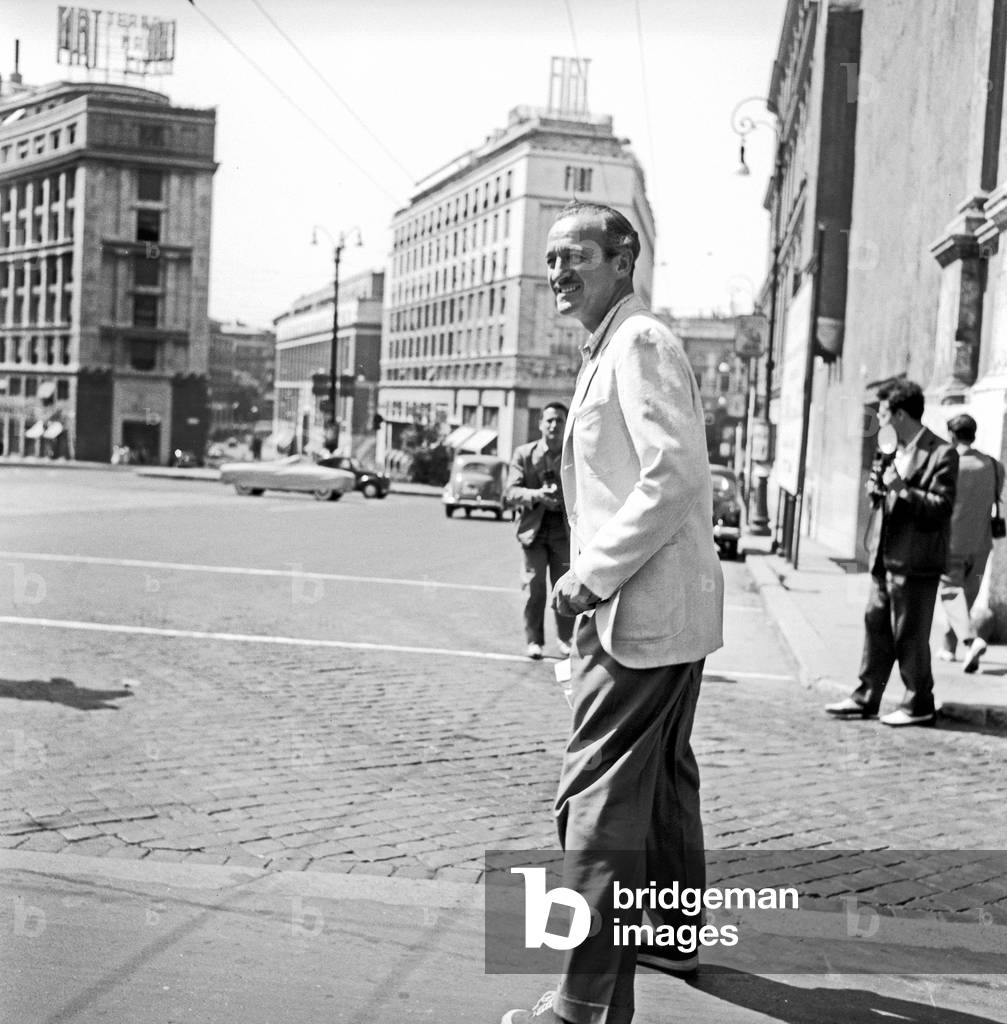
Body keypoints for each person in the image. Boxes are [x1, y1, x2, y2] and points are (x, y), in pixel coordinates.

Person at [503, 202, 724, 1024]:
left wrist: (586, 577)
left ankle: (583, 1004)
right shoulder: (616, 345)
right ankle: (668, 932)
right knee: (658, 778)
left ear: (623, 258)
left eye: (575, 257)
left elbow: (672, 476)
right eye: (551, 260)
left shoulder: (639, 342)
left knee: (594, 800)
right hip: (665, 610)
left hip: (636, 610)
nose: (556, 273)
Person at [825, 379, 957, 727]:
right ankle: (866, 696)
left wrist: (901, 488)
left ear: (899, 414)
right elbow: (886, 496)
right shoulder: (890, 448)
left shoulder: (942, 453)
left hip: (916, 562)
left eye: (883, 412)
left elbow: (941, 508)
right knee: (876, 626)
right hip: (884, 556)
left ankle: (919, 703)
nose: (880, 418)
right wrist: (878, 490)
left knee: (909, 634)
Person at [506, 403, 575, 660]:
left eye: (558, 420)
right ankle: (534, 641)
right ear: (540, 423)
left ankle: (566, 639)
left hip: (564, 534)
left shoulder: (575, 457)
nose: (553, 425)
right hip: (533, 533)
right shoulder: (524, 454)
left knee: (565, 590)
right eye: (549, 420)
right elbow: (511, 492)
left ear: (566, 423)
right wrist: (537, 496)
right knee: (534, 588)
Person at [938, 413, 1004, 672]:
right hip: (982, 544)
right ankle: (948, 647)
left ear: (952, 436)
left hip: (951, 542)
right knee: (964, 597)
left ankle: (970, 640)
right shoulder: (995, 465)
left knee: (951, 594)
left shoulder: (949, 465)